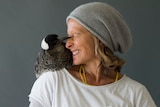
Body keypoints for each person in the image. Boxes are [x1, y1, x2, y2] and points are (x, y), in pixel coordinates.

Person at [28, 2, 157, 107]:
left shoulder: (136, 93)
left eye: (75, 35)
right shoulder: (54, 81)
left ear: (99, 39)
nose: (67, 44)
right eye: (68, 36)